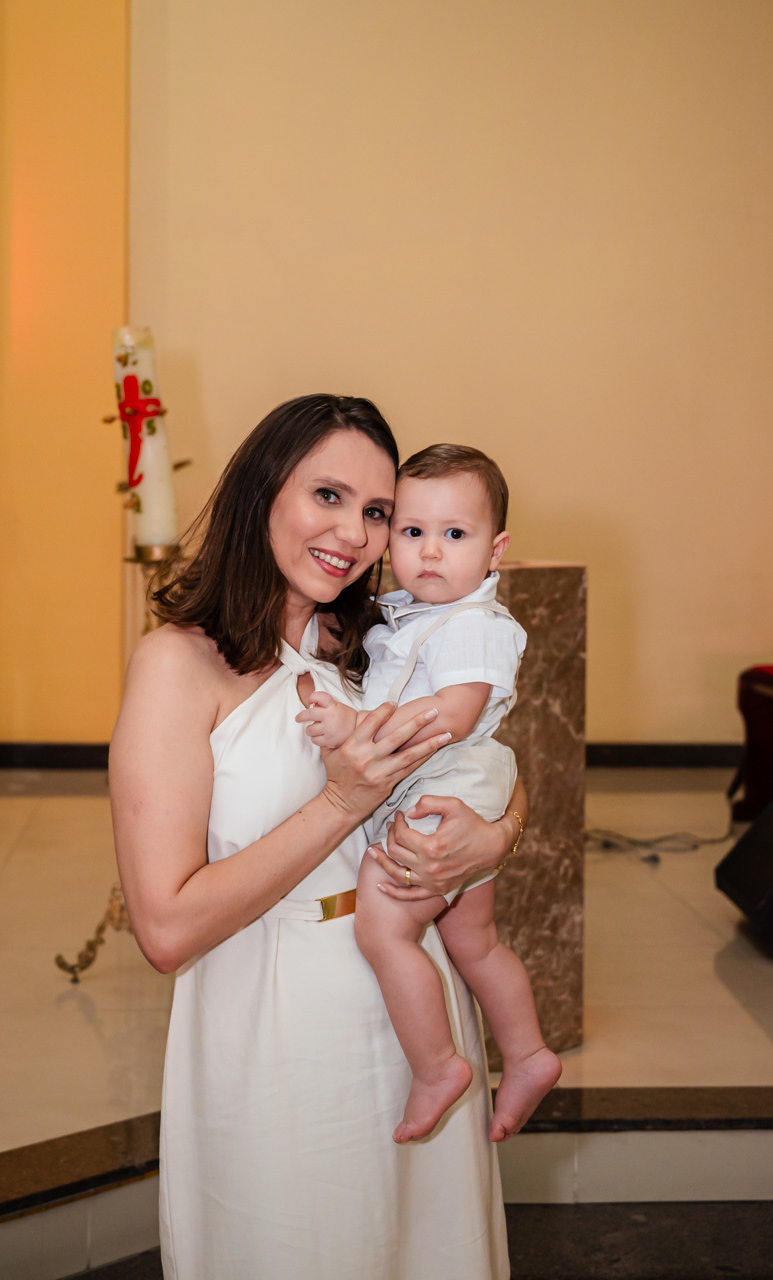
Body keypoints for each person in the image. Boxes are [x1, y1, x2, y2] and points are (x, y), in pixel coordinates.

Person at [110, 394, 528, 1280]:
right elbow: (166, 929)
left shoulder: (376, 643)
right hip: (274, 1017)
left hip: (415, 1005)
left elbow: (490, 752)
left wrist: (499, 838)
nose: (355, 534)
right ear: (263, 493)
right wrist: (342, 801)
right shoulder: (178, 668)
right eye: (328, 496)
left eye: (378, 512)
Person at [297, 444, 561, 1146]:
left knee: (382, 927)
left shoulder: (472, 623)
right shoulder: (412, 613)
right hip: (453, 780)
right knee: (474, 940)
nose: (431, 554)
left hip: (446, 783)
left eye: (455, 534)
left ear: (496, 549)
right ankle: (529, 1054)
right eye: (413, 533)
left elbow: (456, 715)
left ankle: (438, 1064)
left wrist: (355, 726)